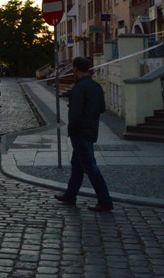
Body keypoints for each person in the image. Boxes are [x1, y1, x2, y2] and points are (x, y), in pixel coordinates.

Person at [54, 56, 113, 212]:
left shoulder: (79, 88)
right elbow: (101, 108)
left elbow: (75, 114)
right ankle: (70, 195)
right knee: (77, 165)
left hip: (80, 132)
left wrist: (71, 130)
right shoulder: (96, 86)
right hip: (91, 130)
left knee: (90, 167)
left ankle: (105, 200)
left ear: (75, 69)